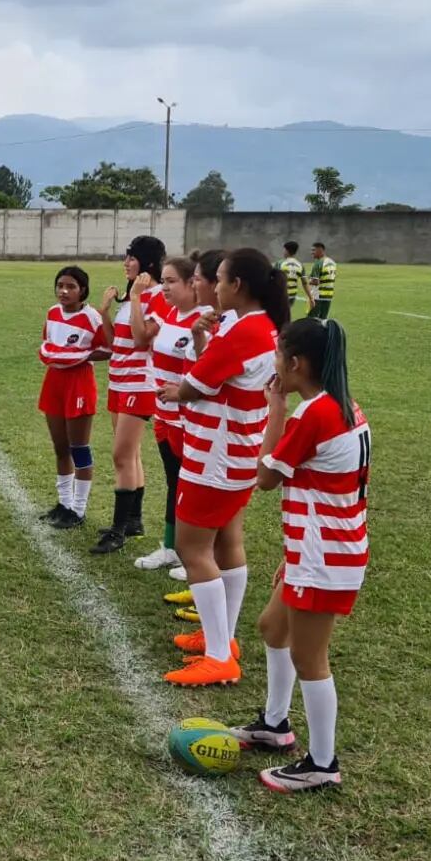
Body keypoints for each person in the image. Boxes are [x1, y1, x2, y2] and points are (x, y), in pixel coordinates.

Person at [230, 318, 369, 792]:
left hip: (324, 554)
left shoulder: (315, 413)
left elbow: (266, 478)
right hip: (321, 547)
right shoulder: (341, 405)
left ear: (296, 363)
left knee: (310, 657)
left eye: (277, 356)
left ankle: (322, 764)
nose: (273, 366)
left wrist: (274, 408)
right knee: (273, 626)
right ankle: (274, 725)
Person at [156, 248, 289, 687]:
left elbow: (196, 384)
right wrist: (199, 346)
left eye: (217, 278)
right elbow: (215, 375)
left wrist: (175, 391)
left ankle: (219, 655)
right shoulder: (260, 328)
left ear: (236, 286)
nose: (207, 284)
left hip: (216, 452)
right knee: (228, 540)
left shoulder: (245, 333)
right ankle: (222, 639)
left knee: (194, 548)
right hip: (236, 449)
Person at [92, 235, 166, 554]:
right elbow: (114, 343)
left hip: (139, 384)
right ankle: (133, 520)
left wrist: (136, 297)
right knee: (131, 454)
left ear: (148, 263)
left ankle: (119, 530)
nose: (126, 262)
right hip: (119, 381)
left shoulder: (157, 296)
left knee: (122, 455)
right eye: (126, 257)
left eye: (132, 257)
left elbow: (140, 341)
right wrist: (106, 310)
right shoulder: (132, 295)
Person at [135, 255, 207, 576]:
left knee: (190, 487)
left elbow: (203, 372)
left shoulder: (205, 320)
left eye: (171, 281)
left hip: (188, 420)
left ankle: (195, 555)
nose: (164, 287)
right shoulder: (169, 313)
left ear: (194, 284)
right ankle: (171, 548)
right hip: (164, 415)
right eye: (162, 281)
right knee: (173, 482)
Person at [39, 265, 105, 528]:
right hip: (54, 382)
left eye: (71, 287)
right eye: (60, 286)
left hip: (79, 384)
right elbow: (47, 345)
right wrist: (61, 356)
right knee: (60, 448)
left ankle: (78, 510)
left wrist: (78, 356)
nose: (63, 291)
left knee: (79, 449)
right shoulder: (52, 313)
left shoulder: (92, 318)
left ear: (83, 291)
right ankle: (64, 503)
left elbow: (107, 349)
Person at [278, 241, 314, 311]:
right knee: (286, 314)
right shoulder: (300, 265)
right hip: (292, 296)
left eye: (284, 250)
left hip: (281, 296)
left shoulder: (280, 263)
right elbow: (305, 283)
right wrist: (311, 298)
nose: (283, 252)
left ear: (287, 251)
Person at [306, 242, 336, 318]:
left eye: (313, 250)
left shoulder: (318, 263)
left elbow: (316, 282)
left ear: (320, 250)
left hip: (317, 296)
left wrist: (308, 281)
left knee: (312, 319)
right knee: (323, 319)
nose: (311, 253)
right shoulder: (332, 262)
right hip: (328, 295)